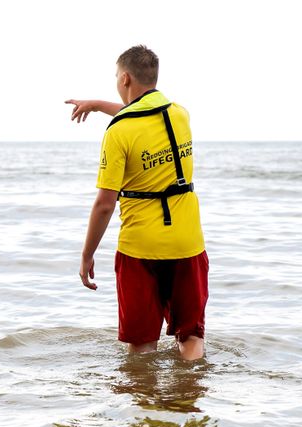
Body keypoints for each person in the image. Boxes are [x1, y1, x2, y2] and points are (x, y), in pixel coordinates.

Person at [67, 44, 209, 360]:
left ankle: (144, 407)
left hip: (140, 248)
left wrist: (86, 255)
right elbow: (144, 113)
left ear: (126, 79)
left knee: (142, 344)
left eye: (117, 76)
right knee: (191, 336)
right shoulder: (180, 114)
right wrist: (99, 104)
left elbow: (105, 203)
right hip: (188, 243)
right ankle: (189, 399)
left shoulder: (119, 132)